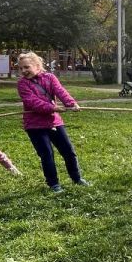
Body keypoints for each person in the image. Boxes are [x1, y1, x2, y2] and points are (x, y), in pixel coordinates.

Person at [17, 51, 89, 193]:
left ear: (37, 66)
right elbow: (32, 102)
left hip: (54, 122)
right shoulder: (22, 84)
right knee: (47, 154)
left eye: (27, 67)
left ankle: (76, 178)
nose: (23, 71)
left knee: (68, 151)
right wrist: (52, 107)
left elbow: (60, 91)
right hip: (34, 125)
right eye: (21, 68)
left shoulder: (50, 78)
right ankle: (54, 184)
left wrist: (71, 103)